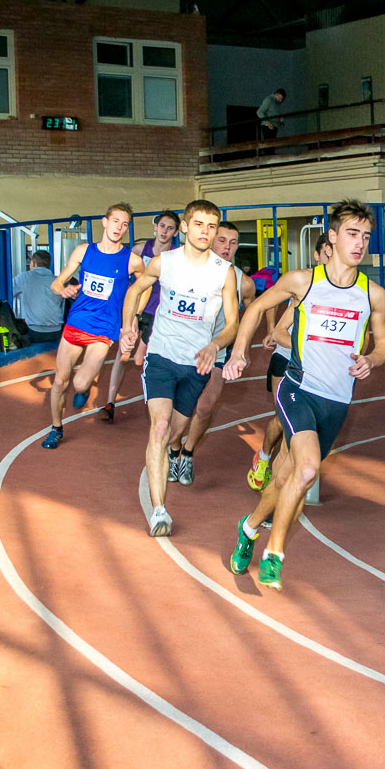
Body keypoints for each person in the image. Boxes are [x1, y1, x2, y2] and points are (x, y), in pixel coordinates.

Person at [224, 199, 385, 591]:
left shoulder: (373, 295)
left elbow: (384, 345)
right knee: (307, 469)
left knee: (287, 479)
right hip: (297, 389)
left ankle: (248, 529)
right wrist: (238, 351)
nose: (360, 243)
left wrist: (372, 359)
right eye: (352, 233)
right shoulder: (304, 281)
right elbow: (255, 309)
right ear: (332, 238)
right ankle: (274, 554)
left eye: (366, 236)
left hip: (337, 402)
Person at [119, 200, 237, 536]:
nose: (205, 232)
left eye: (211, 226)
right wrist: (129, 328)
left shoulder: (223, 272)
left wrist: (216, 345)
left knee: (175, 433)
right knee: (158, 427)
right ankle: (159, 511)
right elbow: (135, 290)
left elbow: (232, 323)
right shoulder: (164, 262)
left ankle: (173, 451)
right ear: (185, 227)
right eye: (199, 224)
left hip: (197, 364)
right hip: (161, 356)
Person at [41, 203, 145, 450]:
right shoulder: (83, 251)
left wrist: (134, 317)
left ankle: (85, 388)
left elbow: (146, 285)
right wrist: (63, 289)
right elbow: (56, 283)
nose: (119, 227)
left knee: (79, 384)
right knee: (60, 382)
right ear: (104, 222)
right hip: (77, 322)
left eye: (125, 224)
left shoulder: (132, 260)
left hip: (104, 329)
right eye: (116, 221)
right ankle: (56, 428)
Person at [168, 220, 256, 484]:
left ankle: (188, 453)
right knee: (179, 408)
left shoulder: (244, 283)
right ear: (210, 239)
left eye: (233, 242)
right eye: (222, 240)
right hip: (182, 348)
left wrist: (242, 347)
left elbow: (253, 310)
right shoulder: (186, 269)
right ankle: (173, 451)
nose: (227, 247)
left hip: (217, 350)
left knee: (205, 407)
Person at [245, 232, 333, 492]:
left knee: (305, 424)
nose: (330, 258)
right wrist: (304, 349)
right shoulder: (302, 284)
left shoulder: (346, 292)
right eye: (326, 253)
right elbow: (277, 328)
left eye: (334, 253)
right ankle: (264, 459)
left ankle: (290, 479)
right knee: (285, 419)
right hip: (287, 361)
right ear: (316, 255)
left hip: (319, 370)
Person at [99, 210, 181, 423]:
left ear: (175, 232)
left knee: (140, 360)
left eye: (170, 228)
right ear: (155, 227)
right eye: (162, 226)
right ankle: (110, 403)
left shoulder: (175, 255)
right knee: (123, 354)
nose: (165, 231)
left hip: (158, 313)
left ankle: (159, 400)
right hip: (135, 309)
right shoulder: (138, 249)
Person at [11, 250, 65, 343]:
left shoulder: (25, 277)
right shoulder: (57, 281)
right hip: (57, 330)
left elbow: (3, 293)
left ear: (33, 263)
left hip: (34, 330)